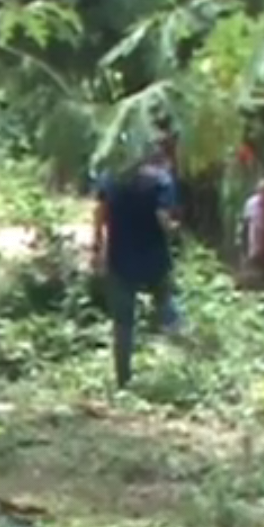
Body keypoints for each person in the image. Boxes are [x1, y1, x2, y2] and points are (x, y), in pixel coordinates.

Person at [90, 142, 184, 388]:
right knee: (166, 306)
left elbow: (100, 213)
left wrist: (97, 247)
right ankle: (185, 363)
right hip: (154, 259)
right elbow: (162, 218)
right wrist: (175, 232)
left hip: (120, 258)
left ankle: (123, 380)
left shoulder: (110, 178)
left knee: (123, 323)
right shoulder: (161, 181)